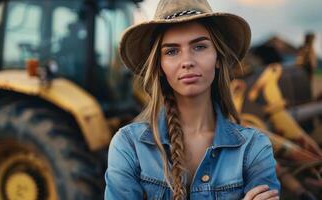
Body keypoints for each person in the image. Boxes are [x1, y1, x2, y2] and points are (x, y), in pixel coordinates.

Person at [105, 0, 280, 199]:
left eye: (199, 46)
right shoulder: (130, 145)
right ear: (159, 66)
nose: (187, 62)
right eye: (172, 51)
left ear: (218, 58)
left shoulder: (253, 148)